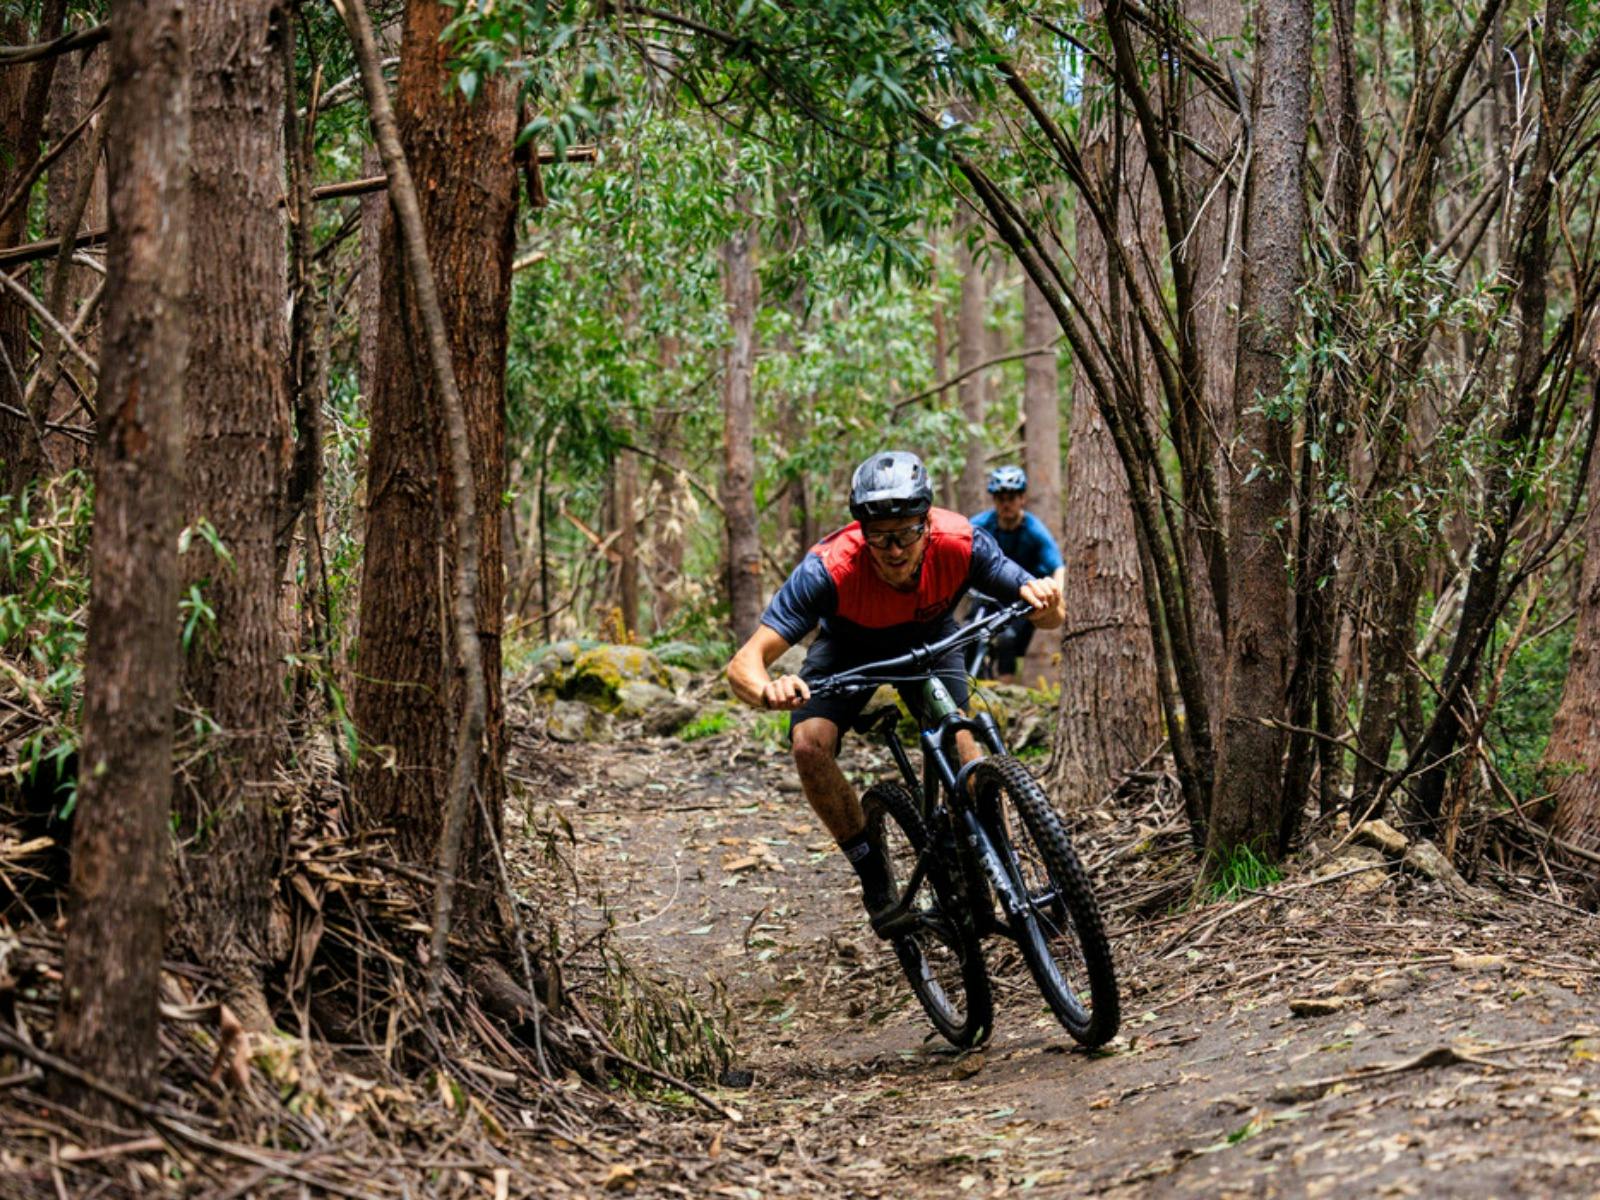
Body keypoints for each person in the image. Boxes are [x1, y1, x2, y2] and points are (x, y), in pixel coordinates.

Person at [725, 451, 1065, 918]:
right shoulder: (828, 568)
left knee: (962, 742)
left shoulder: (962, 542)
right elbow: (743, 664)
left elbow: (1050, 617)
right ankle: (873, 872)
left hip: (931, 638)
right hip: (849, 646)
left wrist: (1046, 603)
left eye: (907, 533)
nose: (895, 550)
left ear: (928, 522)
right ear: (861, 530)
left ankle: (1003, 867)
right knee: (808, 745)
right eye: (880, 537)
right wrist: (768, 690)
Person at [969, 465, 1065, 683]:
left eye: (1011, 498)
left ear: (1022, 499)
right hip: (987, 594)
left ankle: (1006, 689)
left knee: (1007, 639)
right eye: (1000, 498)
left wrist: (1055, 598)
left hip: (1022, 597)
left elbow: (1058, 567)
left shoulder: (1034, 530)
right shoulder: (981, 525)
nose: (1006, 504)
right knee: (968, 634)